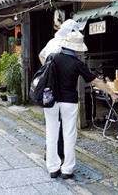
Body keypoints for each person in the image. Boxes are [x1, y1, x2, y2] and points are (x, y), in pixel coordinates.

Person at [44, 29, 118, 179]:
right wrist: (112, 93)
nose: (80, 52)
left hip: (51, 101)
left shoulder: (52, 57)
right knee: (69, 135)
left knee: (52, 134)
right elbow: (96, 81)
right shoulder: (77, 63)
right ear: (76, 49)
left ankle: (53, 168)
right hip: (69, 102)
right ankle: (67, 170)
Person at [39, 19, 80, 165]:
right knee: (63, 125)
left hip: (48, 89)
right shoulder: (63, 45)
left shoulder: (52, 41)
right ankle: (60, 157)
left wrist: (46, 71)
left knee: (51, 125)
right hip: (61, 90)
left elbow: (41, 55)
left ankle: (49, 154)